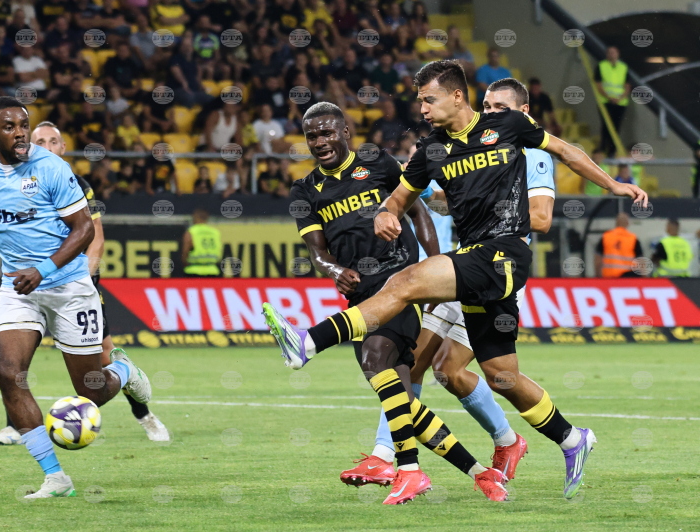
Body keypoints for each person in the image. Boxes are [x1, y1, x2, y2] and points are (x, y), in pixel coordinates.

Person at [264, 61, 648, 501]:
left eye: (429, 100)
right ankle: (571, 438)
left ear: (456, 96)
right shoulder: (431, 151)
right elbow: (401, 198)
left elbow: (565, 151)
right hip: (475, 263)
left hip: (504, 252)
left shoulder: (507, 125)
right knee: (500, 375)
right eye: (420, 101)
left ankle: (308, 343)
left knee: (405, 282)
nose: (422, 109)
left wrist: (613, 185)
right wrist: (387, 213)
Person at [275, 101, 509, 505]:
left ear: (345, 132)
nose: (320, 142)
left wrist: (435, 272)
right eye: (312, 136)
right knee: (400, 400)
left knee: (376, 358)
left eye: (327, 133)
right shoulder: (304, 190)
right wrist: (334, 269)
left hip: (401, 284)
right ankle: (478, 474)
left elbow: (418, 212)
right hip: (360, 298)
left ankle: (308, 344)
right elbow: (317, 252)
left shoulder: (377, 163)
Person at [0, 97, 152, 498]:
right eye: (9, 127)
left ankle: (124, 372)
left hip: (67, 286)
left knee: (91, 391)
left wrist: (44, 270)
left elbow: (84, 229)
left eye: (23, 125)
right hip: (17, 288)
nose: (19, 133)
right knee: (7, 370)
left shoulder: (52, 168)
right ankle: (56, 477)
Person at [350, 77, 555, 492]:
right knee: (440, 369)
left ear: (522, 112)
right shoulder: (470, 145)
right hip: (460, 265)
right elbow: (455, 203)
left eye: (500, 109)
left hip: (492, 270)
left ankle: (387, 455)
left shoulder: (530, 153)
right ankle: (504, 442)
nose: (490, 115)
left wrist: (479, 208)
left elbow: (540, 218)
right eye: (487, 106)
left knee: (466, 370)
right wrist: (432, 189)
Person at [0, 121, 169, 445]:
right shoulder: (13, 178)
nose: (47, 146)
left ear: (63, 148)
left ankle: (143, 413)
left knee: (104, 355)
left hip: (72, 283)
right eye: (40, 141)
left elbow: (95, 236)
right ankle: (15, 426)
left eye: (53, 141)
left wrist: (81, 276)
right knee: (15, 357)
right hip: (29, 284)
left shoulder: (77, 183)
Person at [594, 46, 631, 156]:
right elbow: (598, 85)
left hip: (620, 103)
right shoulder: (601, 66)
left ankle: (612, 150)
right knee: (606, 126)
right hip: (605, 102)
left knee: (616, 127)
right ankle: (603, 148)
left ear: (618, 54)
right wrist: (609, 97)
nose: (611, 54)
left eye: (613, 52)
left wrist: (620, 98)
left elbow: (627, 85)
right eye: (609, 52)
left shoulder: (623, 67)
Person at [594, 213, 643, 278]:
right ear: (627, 223)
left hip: (609, 277)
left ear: (616, 223)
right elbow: (641, 261)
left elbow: (598, 260)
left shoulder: (606, 237)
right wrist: (643, 278)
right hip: (628, 278)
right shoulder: (633, 239)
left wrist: (598, 276)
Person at [181, 208, 222, 277]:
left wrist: (184, 263)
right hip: (212, 270)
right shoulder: (215, 232)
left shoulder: (191, 232)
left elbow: (185, 252)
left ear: (195, 217)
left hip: (193, 270)